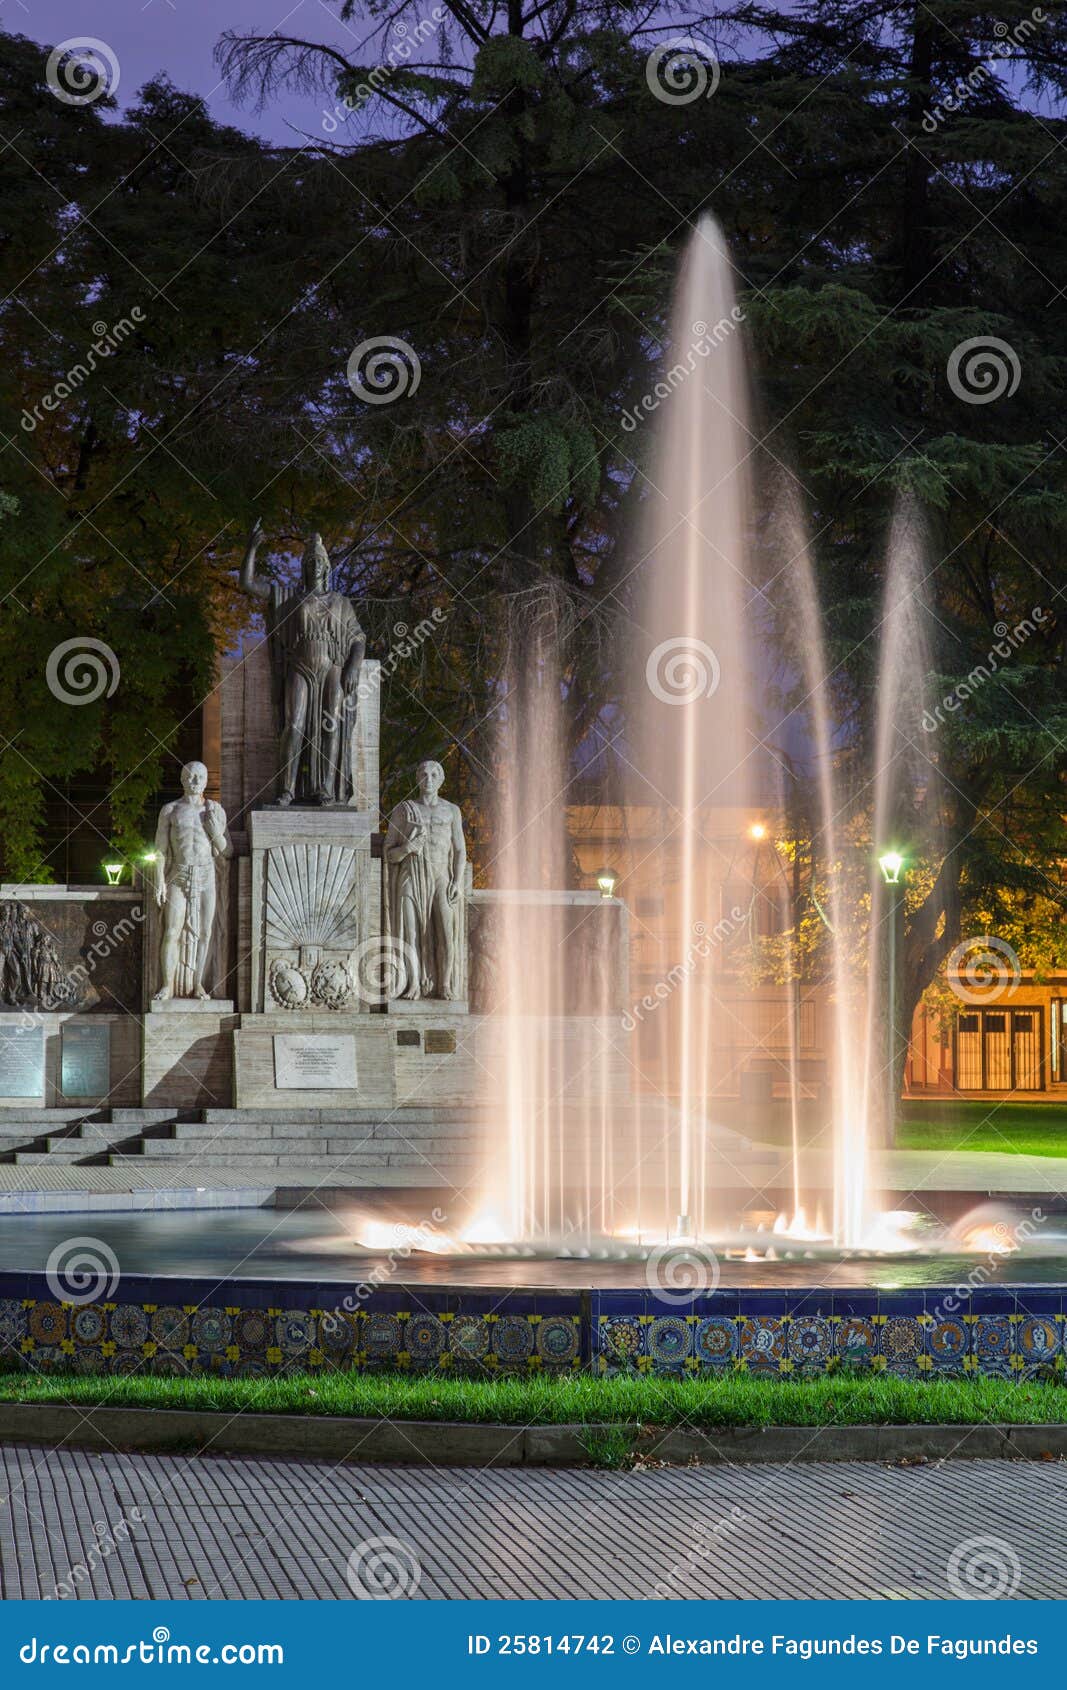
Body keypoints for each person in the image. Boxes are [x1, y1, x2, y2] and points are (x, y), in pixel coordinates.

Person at [239, 519, 366, 806]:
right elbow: (247, 583)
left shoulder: (341, 602)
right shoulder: (289, 599)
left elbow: (359, 638)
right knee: (293, 726)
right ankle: (287, 790)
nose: (315, 567)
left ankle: (326, 790)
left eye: (320, 563)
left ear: (327, 568)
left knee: (331, 725)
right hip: (300, 666)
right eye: (310, 563)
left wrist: (354, 666)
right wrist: (252, 549)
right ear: (305, 568)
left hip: (332, 667)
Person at [384, 761, 466, 1000]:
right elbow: (389, 853)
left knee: (447, 935)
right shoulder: (404, 810)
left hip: (441, 876)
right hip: (411, 875)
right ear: (417, 779)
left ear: (441, 779)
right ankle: (413, 985)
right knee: (410, 934)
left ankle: (445, 984)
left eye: (433, 774)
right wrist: (407, 848)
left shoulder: (451, 811)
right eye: (423, 774)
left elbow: (460, 850)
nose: (428, 779)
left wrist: (457, 881)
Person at [153, 761, 229, 1001]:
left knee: (206, 932)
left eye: (200, 777)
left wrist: (214, 831)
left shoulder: (214, 810)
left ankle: (198, 985)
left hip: (206, 875)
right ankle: (167, 985)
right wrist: (159, 881)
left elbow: (227, 850)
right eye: (191, 776)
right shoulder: (170, 810)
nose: (195, 781)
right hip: (178, 873)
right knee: (171, 931)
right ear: (182, 779)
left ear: (206, 781)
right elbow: (160, 851)